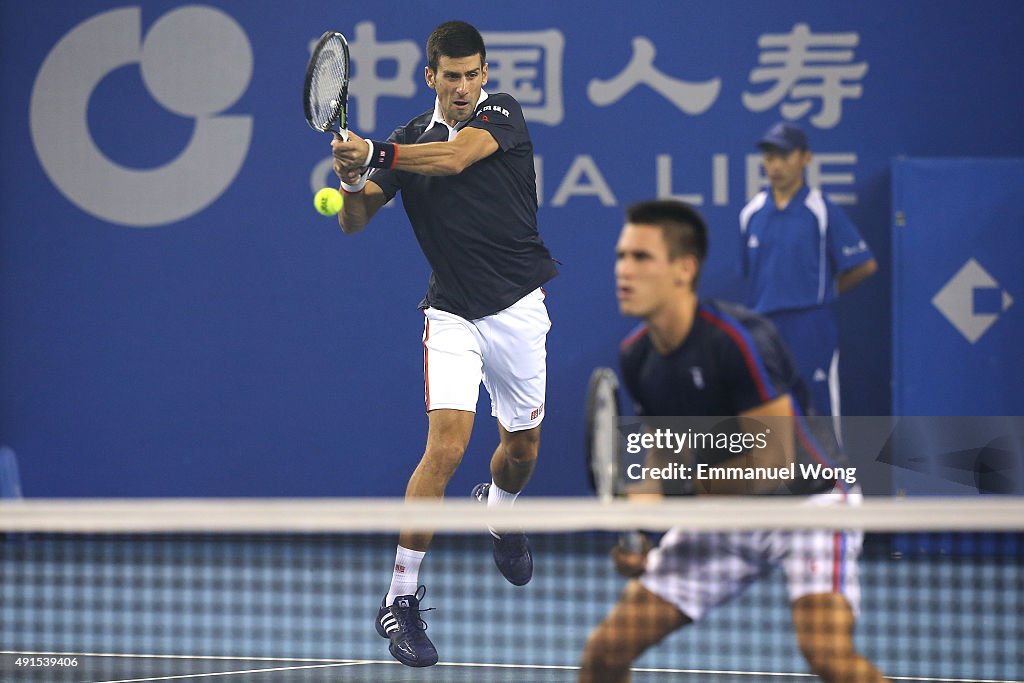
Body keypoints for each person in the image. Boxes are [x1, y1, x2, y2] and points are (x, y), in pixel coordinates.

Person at [578, 200, 886, 682]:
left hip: (809, 507)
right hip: (723, 516)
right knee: (604, 656)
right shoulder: (636, 356)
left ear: (685, 269)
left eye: (641, 258)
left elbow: (772, 462)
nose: (624, 270)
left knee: (828, 656)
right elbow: (666, 456)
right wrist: (637, 526)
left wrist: (678, 498)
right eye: (621, 256)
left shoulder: (740, 339)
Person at [329, 21, 558, 668]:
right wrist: (351, 177)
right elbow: (354, 220)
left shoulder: (501, 114)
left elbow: (457, 159)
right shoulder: (406, 139)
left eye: (472, 73)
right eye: (450, 76)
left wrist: (375, 152)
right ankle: (399, 598)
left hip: (518, 307)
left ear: (484, 74)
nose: (462, 87)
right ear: (429, 76)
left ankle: (499, 509)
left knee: (521, 448)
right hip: (452, 312)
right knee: (447, 445)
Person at [740, 122, 877, 419]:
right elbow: (751, 275)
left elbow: (864, 265)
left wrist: (825, 292)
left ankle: (828, 467)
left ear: (805, 158)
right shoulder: (750, 213)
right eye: (769, 157)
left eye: (784, 156)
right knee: (764, 415)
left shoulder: (821, 210)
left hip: (810, 326)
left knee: (818, 412)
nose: (775, 165)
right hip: (762, 328)